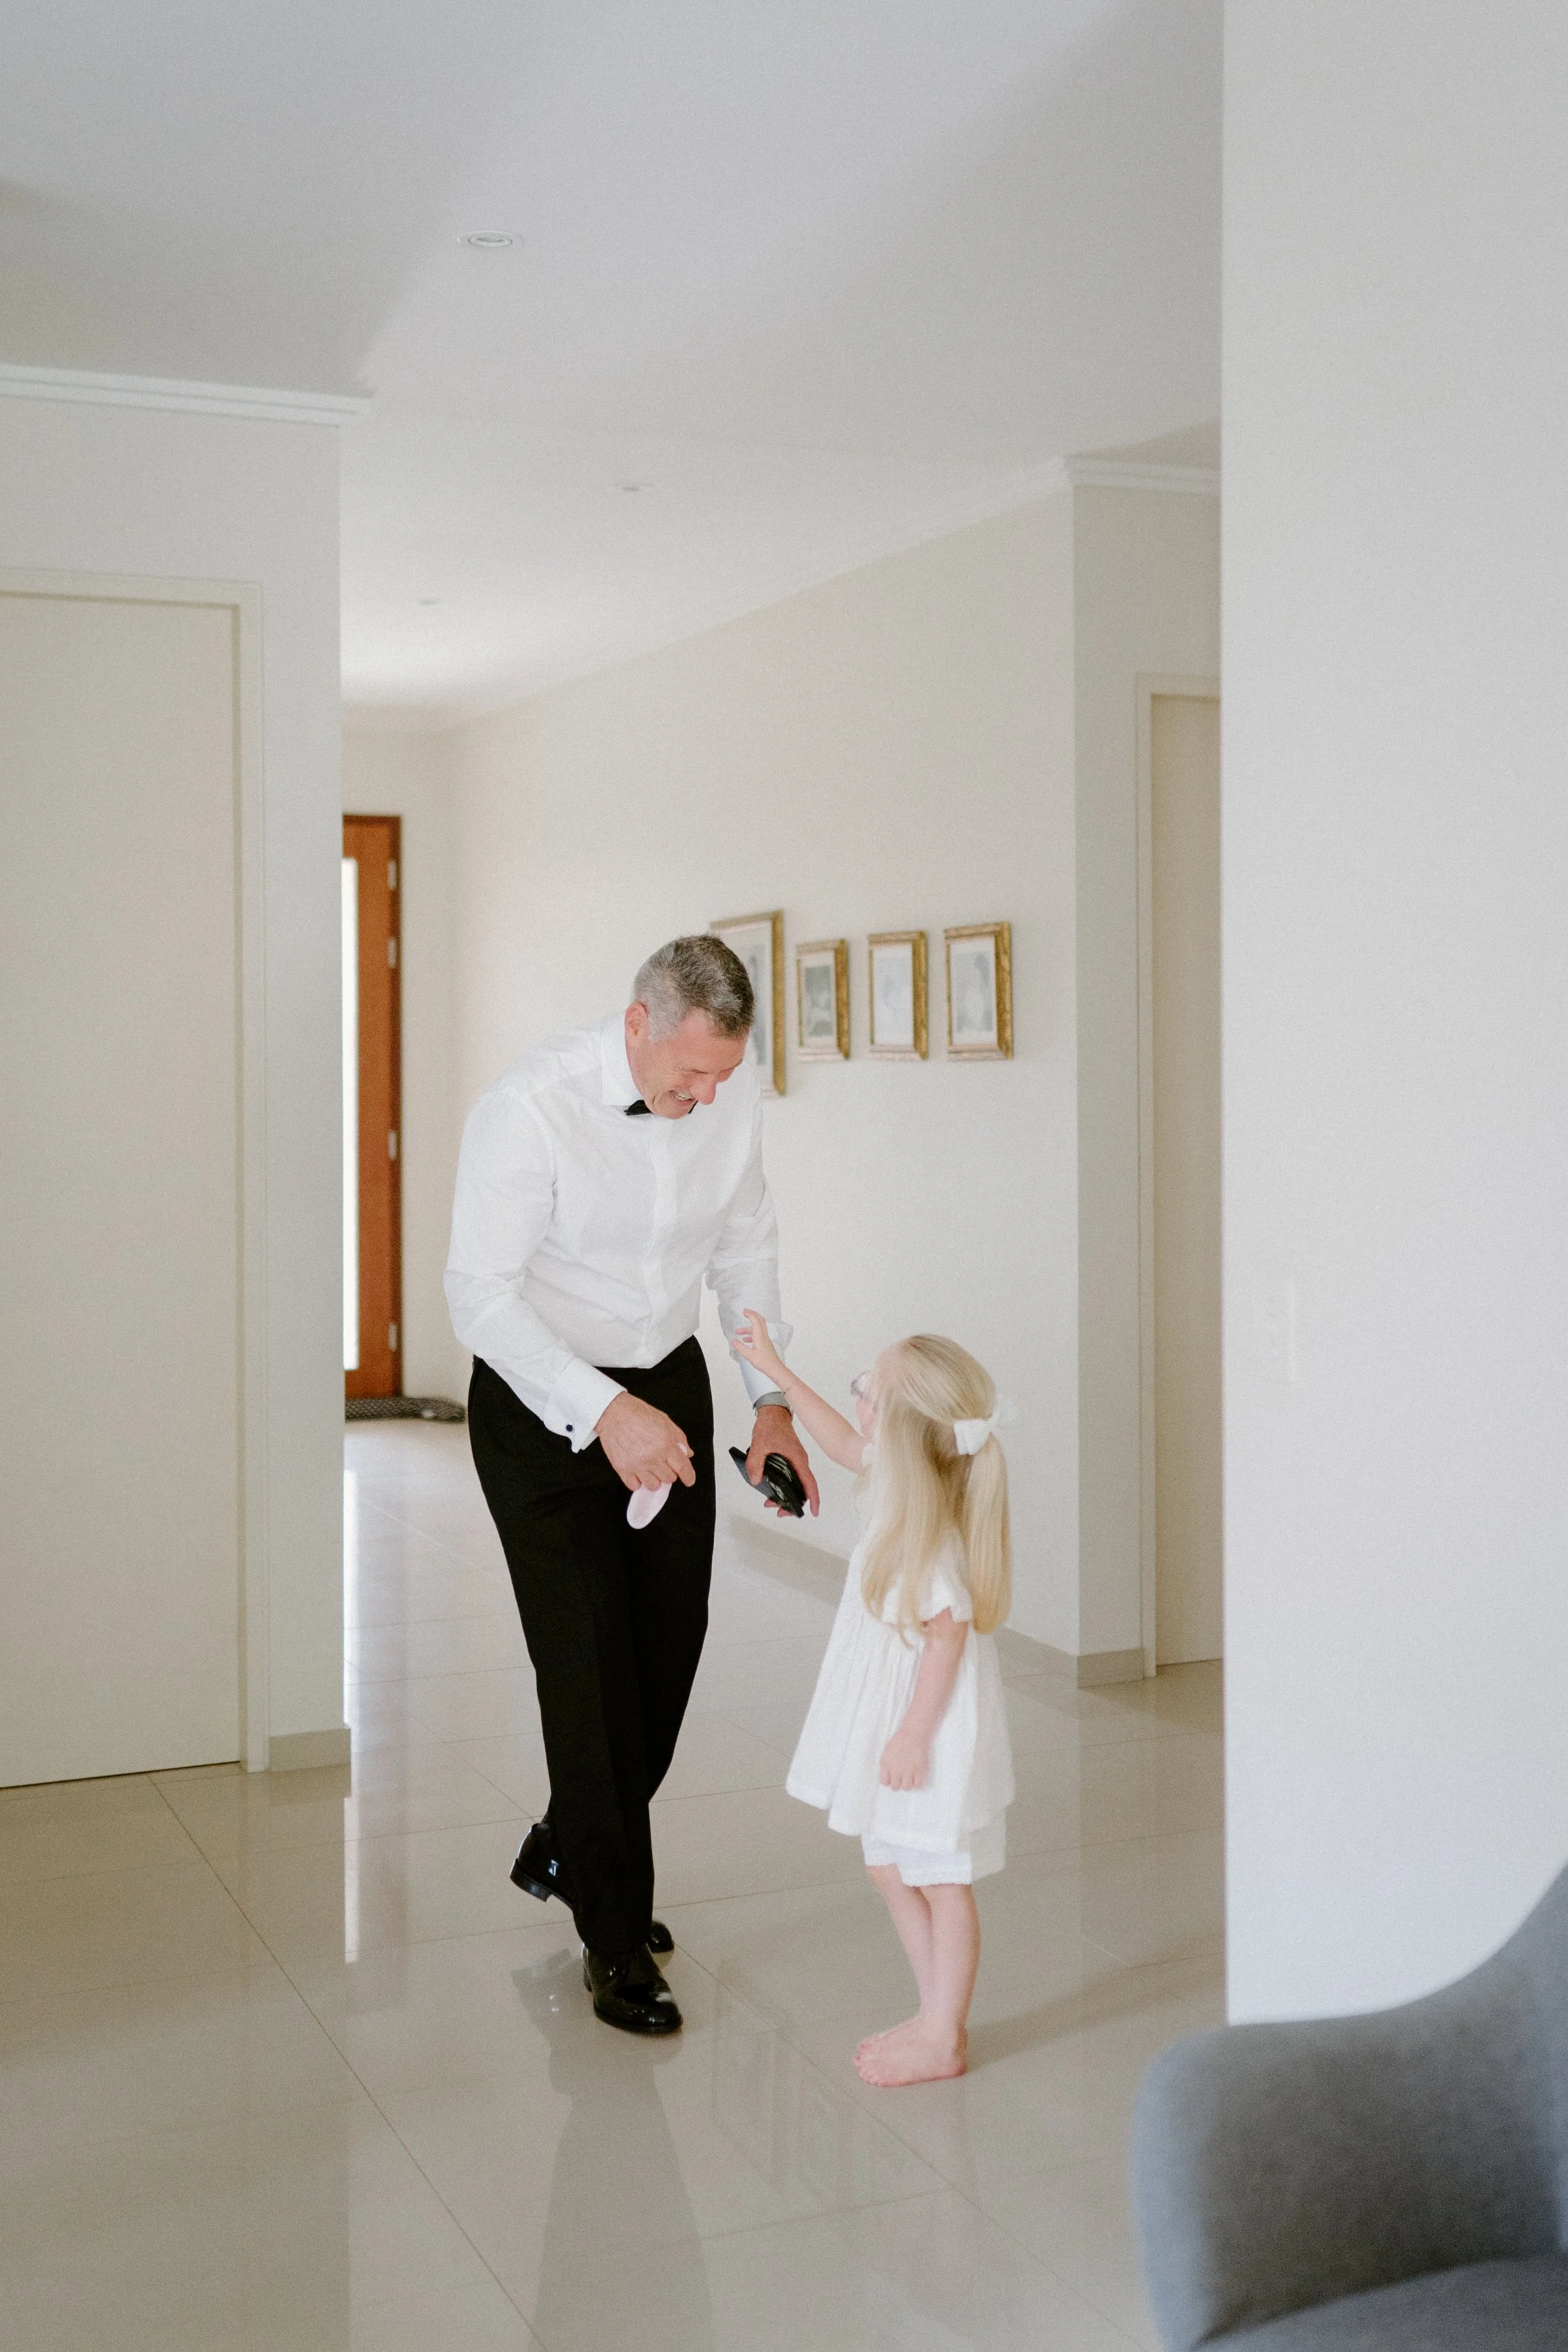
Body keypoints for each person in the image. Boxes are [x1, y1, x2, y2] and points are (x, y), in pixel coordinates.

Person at [445, 938, 818, 2036]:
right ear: (638, 1023)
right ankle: (616, 1936)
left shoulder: (728, 1097)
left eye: (722, 1076)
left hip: (666, 1375)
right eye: (688, 1075)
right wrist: (602, 1410)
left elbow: (746, 1251)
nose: (705, 1098)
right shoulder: (531, 1107)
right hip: (539, 1394)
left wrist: (771, 1400)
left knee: (667, 1650)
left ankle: (571, 1842)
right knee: (590, 1667)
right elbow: (480, 1295)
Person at [733, 1311, 1014, 2085]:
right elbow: (835, 1441)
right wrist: (779, 1375)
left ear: (900, 1422)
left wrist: (913, 1734)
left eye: (868, 1390)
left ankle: (942, 2033)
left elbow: (947, 1633)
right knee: (892, 1868)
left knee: (937, 1876)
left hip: (923, 1720)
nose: (857, 1400)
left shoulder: (929, 1536)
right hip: (897, 1711)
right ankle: (933, 2016)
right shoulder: (896, 1475)